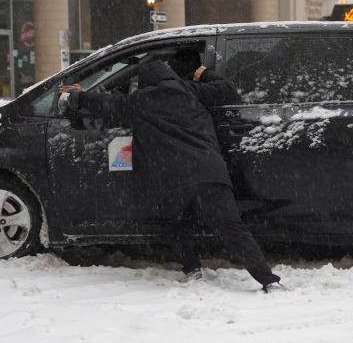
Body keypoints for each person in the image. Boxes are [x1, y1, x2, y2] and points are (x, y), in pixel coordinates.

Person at [61, 57, 282, 291]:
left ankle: (192, 268)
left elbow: (104, 104)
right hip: (210, 174)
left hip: (171, 179)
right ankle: (268, 280)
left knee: (173, 224)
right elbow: (227, 90)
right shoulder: (191, 90)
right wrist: (205, 73)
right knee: (234, 230)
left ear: (144, 83)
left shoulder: (139, 100)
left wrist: (76, 96)